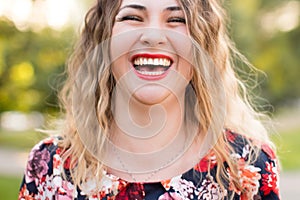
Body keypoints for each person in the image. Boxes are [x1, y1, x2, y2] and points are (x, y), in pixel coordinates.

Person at [19, 0, 280, 199]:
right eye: (133, 17)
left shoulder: (247, 167)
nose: (153, 36)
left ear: (202, 43)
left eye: (176, 19)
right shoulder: (50, 166)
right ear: (104, 38)